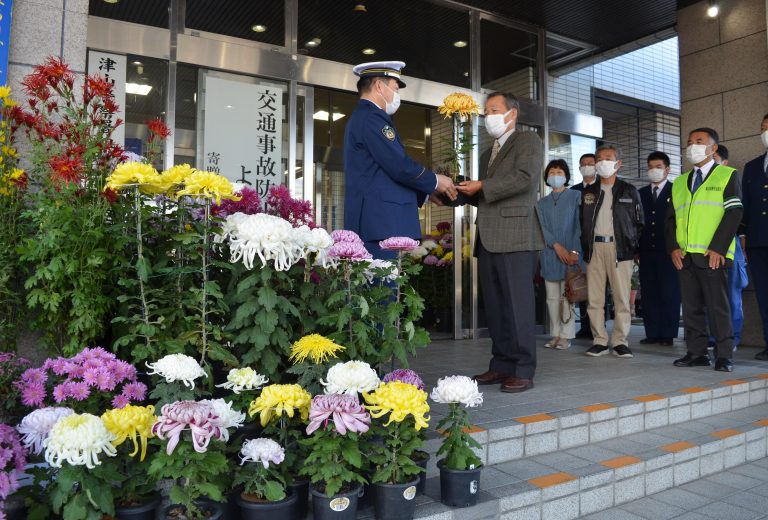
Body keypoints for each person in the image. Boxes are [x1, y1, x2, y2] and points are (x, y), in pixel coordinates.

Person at [457, 92, 544, 393]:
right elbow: (487, 193)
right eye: (486, 111)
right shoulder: (486, 153)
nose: (488, 116)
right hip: (490, 237)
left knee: (518, 306)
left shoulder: (528, 142)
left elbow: (524, 178)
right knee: (496, 307)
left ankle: (523, 369)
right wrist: (459, 192)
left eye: (494, 110)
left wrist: (482, 186)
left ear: (512, 114)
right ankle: (501, 364)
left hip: (518, 235)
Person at [343, 60, 457, 260]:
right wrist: (435, 182)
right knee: (382, 288)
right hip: (379, 225)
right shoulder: (372, 118)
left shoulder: (366, 117)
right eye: (395, 88)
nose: (397, 95)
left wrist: (427, 192)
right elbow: (399, 166)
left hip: (378, 224)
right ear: (379, 85)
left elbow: (383, 174)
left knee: (384, 288)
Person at [667, 128, 743, 372]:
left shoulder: (727, 175)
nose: (693, 146)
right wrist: (673, 249)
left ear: (713, 149)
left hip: (713, 256)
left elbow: (734, 213)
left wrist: (718, 248)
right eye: (689, 142)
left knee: (718, 307)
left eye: (699, 142)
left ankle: (723, 355)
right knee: (691, 308)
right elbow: (670, 220)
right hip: (685, 256)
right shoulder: (679, 182)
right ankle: (697, 353)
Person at [580, 144, 643, 358]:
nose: (603, 162)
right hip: (595, 248)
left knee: (622, 298)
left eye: (608, 158)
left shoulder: (629, 190)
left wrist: (635, 248)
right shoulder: (588, 192)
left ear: (618, 163)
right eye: (600, 159)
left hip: (621, 249)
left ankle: (620, 341)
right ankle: (599, 340)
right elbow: (582, 222)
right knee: (595, 298)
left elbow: (639, 222)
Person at [535, 160, 583, 351]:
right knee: (552, 297)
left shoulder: (576, 196)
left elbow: (579, 225)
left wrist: (573, 250)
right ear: (547, 177)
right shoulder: (541, 203)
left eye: (559, 171)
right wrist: (556, 246)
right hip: (550, 253)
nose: (556, 175)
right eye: (552, 171)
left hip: (571, 254)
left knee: (568, 296)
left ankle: (566, 335)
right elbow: (540, 228)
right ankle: (555, 333)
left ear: (566, 175)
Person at [637, 151, 680, 347]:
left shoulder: (676, 190)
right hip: (646, 251)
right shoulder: (641, 193)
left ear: (667, 169)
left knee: (669, 292)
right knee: (649, 293)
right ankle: (652, 332)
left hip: (669, 250)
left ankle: (668, 333)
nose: (654, 170)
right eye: (650, 167)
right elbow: (635, 222)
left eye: (658, 167)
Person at [713, 145, 748, 350]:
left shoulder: (731, 178)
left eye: (715, 157)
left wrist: (742, 239)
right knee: (709, 294)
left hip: (729, 245)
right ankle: (712, 336)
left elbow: (738, 213)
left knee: (732, 295)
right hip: (704, 245)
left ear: (724, 161)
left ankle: (733, 337)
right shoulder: (696, 181)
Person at [741, 114, 768, 359]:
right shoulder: (752, 166)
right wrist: (744, 236)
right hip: (758, 240)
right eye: (763, 128)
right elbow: (746, 205)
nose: (765, 132)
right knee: (764, 294)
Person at [572, 153, 598, 339]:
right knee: (582, 284)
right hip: (578, 245)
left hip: (598, 244)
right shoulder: (573, 191)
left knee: (598, 287)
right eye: (583, 164)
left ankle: (598, 326)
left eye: (590, 164)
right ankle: (585, 326)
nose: (587, 167)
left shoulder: (603, 188)